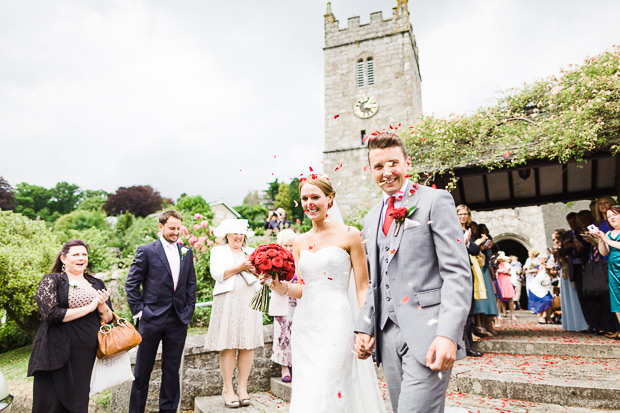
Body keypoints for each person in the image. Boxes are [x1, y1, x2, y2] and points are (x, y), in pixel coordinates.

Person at [355, 133, 472, 413]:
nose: (387, 172)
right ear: (371, 171)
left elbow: (457, 272)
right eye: (378, 167)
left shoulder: (435, 200)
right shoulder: (370, 219)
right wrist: (365, 326)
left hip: (429, 333)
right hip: (387, 336)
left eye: (393, 163)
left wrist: (448, 334)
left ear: (407, 163)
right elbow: (377, 279)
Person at [264, 175, 386, 412]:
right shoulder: (299, 242)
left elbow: (362, 286)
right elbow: (304, 288)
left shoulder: (350, 235)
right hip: (306, 324)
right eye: (305, 198)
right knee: (310, 386)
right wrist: (280, 286)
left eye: (316, 197)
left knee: (333, 382)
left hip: (337, 322)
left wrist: (365, 326)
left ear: (330, 199)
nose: (310, 203)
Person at [28, 240, 113, 412]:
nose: (81, 258)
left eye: (84, 254)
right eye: (76, 254)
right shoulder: (52, 281)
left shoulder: (96, 283)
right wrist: (90, 307)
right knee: (49, 403)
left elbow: (108, 318)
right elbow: (51, 315)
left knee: (78, 403)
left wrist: (102, 305)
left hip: (84, 355)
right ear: (64, 258)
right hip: (54, 352)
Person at [126, 210, 197, 413]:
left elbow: (191, 284)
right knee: (142, 371)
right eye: (171, 228)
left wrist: (189, 309)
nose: (175, 232)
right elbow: (132, 284)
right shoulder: (147, 250)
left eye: (178, 228)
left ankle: (168, 410)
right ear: (161, 227)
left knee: (171, 370)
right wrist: (140, 312)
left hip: (178, 320)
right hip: (151, 319)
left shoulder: (186, 252)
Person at [204, 219, 263, 408]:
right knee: (228, 344)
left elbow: (260, 275)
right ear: (227, 235)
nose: (238, 236)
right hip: (227, 301)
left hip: (249, 301)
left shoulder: (251, 252)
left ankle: (243, 388)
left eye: (241, 233)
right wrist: (240, 267)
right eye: (234, 233)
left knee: (248, 344)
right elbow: (217, 274)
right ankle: (227, 388)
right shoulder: (218, 251)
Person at [455, 205, 487, 354]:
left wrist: (469, 242)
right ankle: (463, 346)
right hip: (458, 272)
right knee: (463, 310)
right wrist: (464, 242)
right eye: (460, 214)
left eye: (465, 214)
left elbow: (474, 250)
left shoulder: (468, 231)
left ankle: (468, 344)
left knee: (469, 310)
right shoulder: (453, 229)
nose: (463, 216)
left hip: (469, 271)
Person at [268, 228, 297, 382]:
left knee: (298, 333)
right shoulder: (274, 262)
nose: (289, 248)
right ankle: (284, 367)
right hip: (282, 302)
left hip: (297, 302)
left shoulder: (299, 259)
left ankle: (296, 365)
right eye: (286, 245)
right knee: (282, 334)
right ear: (279, 245)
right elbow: (268, 282)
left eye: (291, 245)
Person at [552, 229, 588, 332]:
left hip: (571, 270)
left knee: (574, 296)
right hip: (564, 272)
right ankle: (571, 323)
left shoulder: (570, 243)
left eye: (556, 238)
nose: (555, 240)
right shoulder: (561, 247)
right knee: (568, 297)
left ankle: (579, 323)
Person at [593, 206, 620, 339]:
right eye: (609, 217)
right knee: (616, 300)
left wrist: (607, 240)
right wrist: (600, 240)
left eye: (614, 215)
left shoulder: (609, 237)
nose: (611, 218)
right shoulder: (609, 233)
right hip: (614, 269)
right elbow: (604, 252)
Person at [528, 255, 554, 324]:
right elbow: (541, 281)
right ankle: (540, 317)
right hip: (536, 289)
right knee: (543, 301)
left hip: (545, 289)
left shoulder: (550, 274)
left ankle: (548, 317)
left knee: (550, 300)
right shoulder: (542, 273)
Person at [495, 252, 517, 320]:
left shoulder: (506, 264)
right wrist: (502, 271)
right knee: (499, 299)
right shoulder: (495, 264)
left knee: (510, 298)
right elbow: (496, 271)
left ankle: (512, 314)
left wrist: (506, 272)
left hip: (506, 281)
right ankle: (498, 313)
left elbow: (510, 273)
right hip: (499, 280)